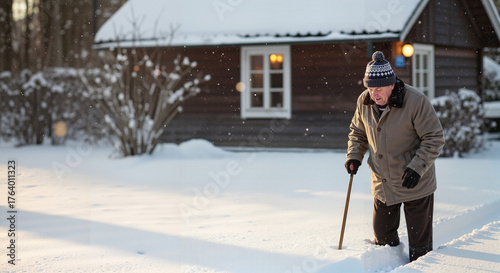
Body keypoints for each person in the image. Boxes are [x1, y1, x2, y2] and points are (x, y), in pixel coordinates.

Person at [345, 51, 445, 262]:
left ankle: (420, 267)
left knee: (420, 246)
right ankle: (390, 264)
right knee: (382, 237)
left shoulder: (416, 101)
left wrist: (417, 167)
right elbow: (358, 132)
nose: (374, 94)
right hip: (383, 182)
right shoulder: (364, 102)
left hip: (415, 181)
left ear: (392, 85)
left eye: (378, 89)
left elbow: (434, 137)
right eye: (370, 88)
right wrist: (354, 155)